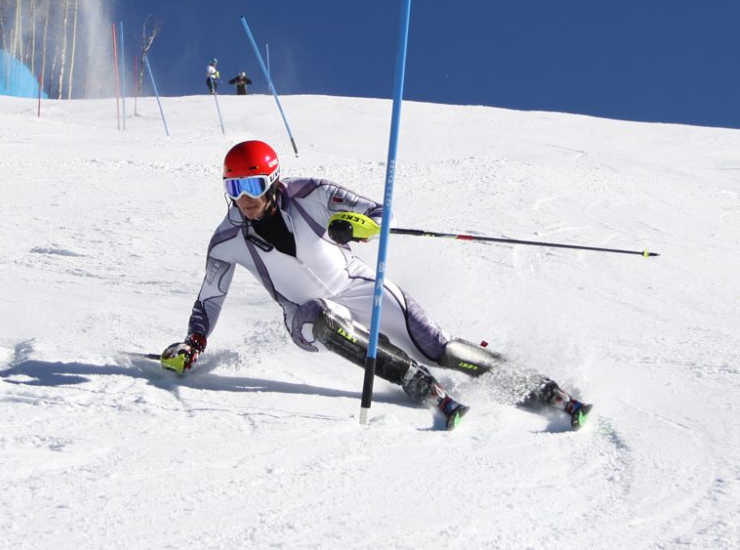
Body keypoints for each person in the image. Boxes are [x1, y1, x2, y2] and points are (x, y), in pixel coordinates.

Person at [161, 140, 592, 431]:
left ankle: (540, 387)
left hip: (356, 285)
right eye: (233, 187)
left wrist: (353, 225)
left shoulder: (311, 192)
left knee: (437, 345)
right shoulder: (227, 240)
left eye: (252, 185)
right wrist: (192, 343)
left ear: (272, 181)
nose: (245, 199)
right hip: (304, 312)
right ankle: (413, 379)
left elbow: (377, 212)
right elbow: (210, 297)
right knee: (319, 316)